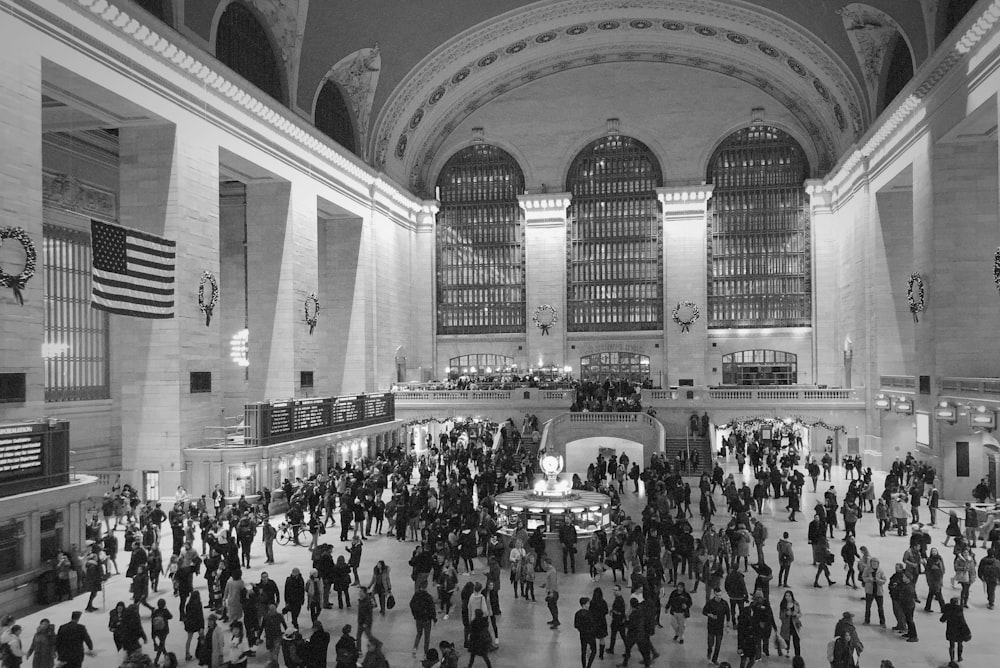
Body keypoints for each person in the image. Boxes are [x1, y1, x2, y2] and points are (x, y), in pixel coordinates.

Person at [703, 588, 730, 666]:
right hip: (711, 626)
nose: (719, 597)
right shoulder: (710, 603)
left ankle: (714, 659)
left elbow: (728, 614)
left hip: (719, 627)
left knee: (718, 645)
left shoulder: (724, 603)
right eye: (717, 595)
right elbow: (704, 611)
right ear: (714, 594)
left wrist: (727, 625)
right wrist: (710, 615)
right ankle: (709, 650)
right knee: (710, 643)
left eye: (720, 595)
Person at [410, 581, 437, 658]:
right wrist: (434, 619)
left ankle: (415, 649)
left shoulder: (416, 595)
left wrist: (414, 614)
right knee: (427, 637)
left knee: (419, 633)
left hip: (418, 619)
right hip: (427, 619)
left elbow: (411, 604)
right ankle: (425, 653)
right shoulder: (428, 597)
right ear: (426, 587)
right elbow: (432, 609)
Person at [940, 596, 971, 663]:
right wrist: (967, 631)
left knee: (951, 645)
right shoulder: (959, 611)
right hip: (959, 630)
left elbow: (942, 619)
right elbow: (963, 622)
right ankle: (959, 657)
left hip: (950, 629)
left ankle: (952, 659)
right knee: (960, 644)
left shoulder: (948, 609)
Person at [777, 590, 802, 658]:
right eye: (786, 596)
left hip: (795, 624)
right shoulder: (783, 605)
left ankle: (797, 655)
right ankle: (787, 652)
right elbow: (780, 616)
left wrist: (795, 614)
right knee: (786, 640)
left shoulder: (796, 604)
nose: (787, 597)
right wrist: (786, 614)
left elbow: (800, 614)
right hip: (786, 625)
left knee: (796, 640)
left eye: (789, 596)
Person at [574, 597, 597, 668]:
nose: (589, 605)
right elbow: (593, 624)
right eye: (588, 603)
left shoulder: (577, 613)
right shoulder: (590, 614)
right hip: (591, 635)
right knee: (594, 650)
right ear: (584, 604)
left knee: (583, 651)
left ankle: (583, 666)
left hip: (582, 635)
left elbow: (576, 625)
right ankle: (589, 666)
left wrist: (581, 629)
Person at [183, 590, 205, 662]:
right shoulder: (199, 604)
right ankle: (203, 651)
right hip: (198, 623)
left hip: (190, 624)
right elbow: (200, 615)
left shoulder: (188, 605)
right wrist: (202, 626)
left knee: (189, 639)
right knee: (202, 638)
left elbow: (187, 616)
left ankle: (187, 653)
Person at [150, 598, 172, 665]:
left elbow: (152, 622)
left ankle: (166, 656)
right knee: (161, 646)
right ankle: (156, 661)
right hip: (164, 630)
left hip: (157, 631)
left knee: (162, 644)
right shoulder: (165, 611)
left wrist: (153, 636)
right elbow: (170, 616)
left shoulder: (155, 612)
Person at [542, 558, 560, 627]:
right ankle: (555, 619)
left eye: (544, 563)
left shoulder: (552, 571)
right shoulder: (550, 570)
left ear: (547, 563)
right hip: (551, 591)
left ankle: (556, 621)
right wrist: (545, 584)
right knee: (551, 606)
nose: (544, 565)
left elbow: (553, 582)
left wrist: (552, 592)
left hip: (553, 591)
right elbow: (549, 580)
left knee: (552, 606)